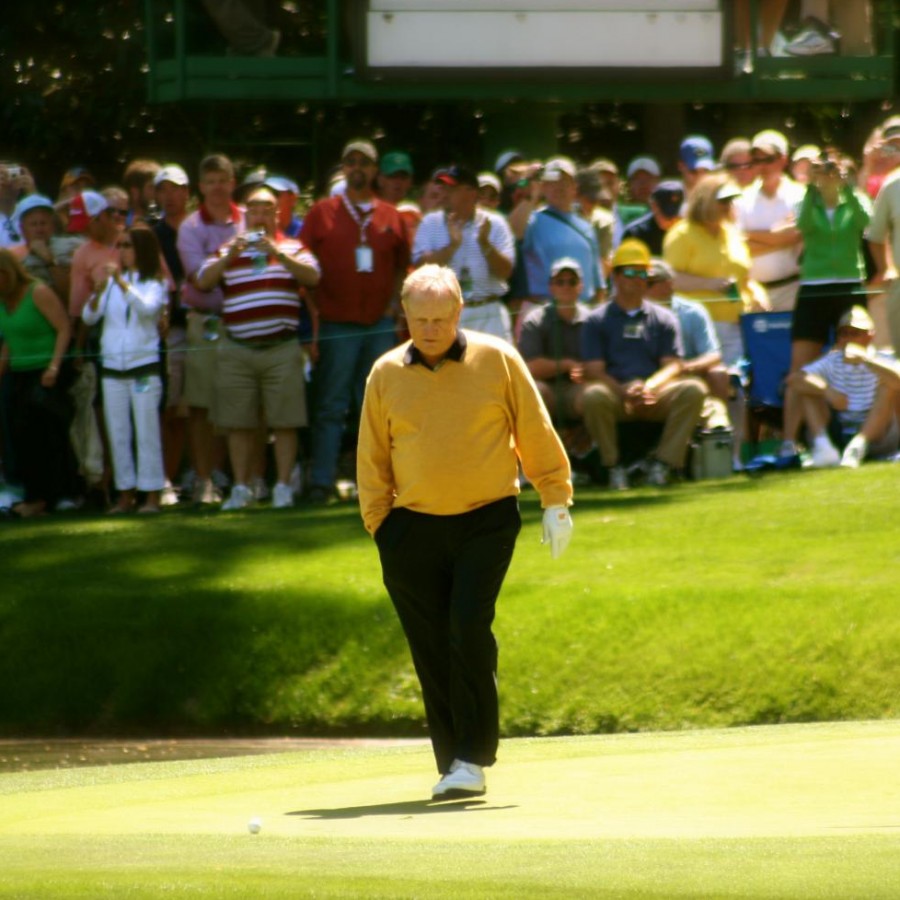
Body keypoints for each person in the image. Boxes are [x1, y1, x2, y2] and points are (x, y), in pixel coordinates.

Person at [357, 264, 573, 799]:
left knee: (468, 629)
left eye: (440, 318)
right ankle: (452, 760)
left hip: (487, 516)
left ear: (458, 313)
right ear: (404, 315)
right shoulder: (385, 373)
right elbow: (372, 460)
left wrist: (555, 498)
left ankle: (473, 758)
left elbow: (534, 429)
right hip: (411, 527)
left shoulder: (497, 358)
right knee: (431, 646)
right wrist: (381, 526)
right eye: (419, 318)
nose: (430, 329)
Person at [300, 139, 410, 504]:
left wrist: (394, 306)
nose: (358, 168)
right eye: (351, 162)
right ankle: (321, 482)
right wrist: (315, 312)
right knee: (332, 405)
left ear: (375, 170)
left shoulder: (390, 214)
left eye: (365, 162)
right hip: (336, 323)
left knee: (377, 408)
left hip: (379, 324)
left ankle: (377, 485)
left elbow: (400, 266)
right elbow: (302, 263)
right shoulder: (322, 212)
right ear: (343, 168)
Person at [196, 187, 320, 510]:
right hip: (237, 347)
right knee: (238, 422)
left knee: (285, 421)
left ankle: (281, 486)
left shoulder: (292, 246)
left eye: (267, 210)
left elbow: (313, 276)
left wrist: (278, 253)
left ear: (277, 215)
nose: (260, 216)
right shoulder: (229, 248)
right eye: (254, 210)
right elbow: (204, 281)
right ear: (245, 215)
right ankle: (240, 487)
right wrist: (230, 255)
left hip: (281, 347)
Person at [581, 240, 707, 490]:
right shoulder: (596, 320)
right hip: (616, 394)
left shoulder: (664, 318)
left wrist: (648, 387)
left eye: (643, 273)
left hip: (654, 394)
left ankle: (663, 463)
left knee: (694, 389)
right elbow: (594, 370)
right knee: (593, 395)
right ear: (615, 277)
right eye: (630, 271)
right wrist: (624, 391)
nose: (638, 278)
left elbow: (673, 365)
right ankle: (613, 466)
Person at [780, 150, 871, 458]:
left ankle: (863, 434)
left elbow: (866, 222)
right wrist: (811, 185)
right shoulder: (806, 199)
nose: (829, 175)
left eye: (834, 170)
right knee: (800, 367)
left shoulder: (854, 197)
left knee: (856, 358)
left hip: (848, 285)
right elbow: (803, 226)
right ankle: (789, 442)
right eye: (824, 170)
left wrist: (846, 188)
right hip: (813, 289)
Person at [81, 228, 168, 514]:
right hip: (112, 369)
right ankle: (124, 495)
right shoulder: (111, 284)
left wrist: (120, 283)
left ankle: (152, 495)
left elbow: (146, 310)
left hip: (143, 368)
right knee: (118, 433)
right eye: (120, 246)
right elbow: (90, 316)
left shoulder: (156, 283)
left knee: (147, 432)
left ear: (141, 249)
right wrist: (96, 295)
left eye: (127, 246)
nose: (122, 251)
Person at [177, 153, 244, 504]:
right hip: (205, 323)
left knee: (238, 401)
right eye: (211, 181)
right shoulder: (190, 227)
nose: (218, 187)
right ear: (201, 186)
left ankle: (234, 477)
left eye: (224, 179)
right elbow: (200, 281)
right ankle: (204, 480)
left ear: (233, 183)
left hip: (245, 321)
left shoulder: (248, 221)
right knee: (201, 404)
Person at [663, 171, 768, 371]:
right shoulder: (681, 234)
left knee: (734, 380)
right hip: (697, 325)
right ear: (706, 201)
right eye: (723, 200)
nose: (728, 205)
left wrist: (758, 294)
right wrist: (708, 284)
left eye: (731, 200)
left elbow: (743, 276)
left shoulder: (732, 233)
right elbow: (670, 280)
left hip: (736, 323)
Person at [0, 249, 75, 518]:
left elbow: (64, 327)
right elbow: (10, 337)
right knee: (19, 437)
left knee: (43, 437)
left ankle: (47, 497)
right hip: (18, 373)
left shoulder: (37, 292)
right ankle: (33, 495)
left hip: (44, 373)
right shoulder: (2, 301)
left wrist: (54, 366)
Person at [786, 305, 899, 467]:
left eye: (855, 334)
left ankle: (860, 444)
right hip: (841, 431)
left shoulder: (883, 358)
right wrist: (827, 390)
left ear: (869, 335)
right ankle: (825, 448)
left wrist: (866, 360)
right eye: (844, 334)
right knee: (808, 387)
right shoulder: (832, 360)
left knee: (888, 386)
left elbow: (897, 379)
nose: (848, 339)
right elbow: (795, 379)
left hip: (880, 435)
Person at [413, 165, 515, 342]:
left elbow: (505, 272)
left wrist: (485, 244)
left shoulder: (495, 223)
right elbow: (420, 271)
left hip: (489, 312)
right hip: (446, 314)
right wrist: (451, 247)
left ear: (472, 193)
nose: (444, 193)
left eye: (451, 189)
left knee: (494, 370)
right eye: (443, 188)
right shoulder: (430, 223)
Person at [735, 130, 805, 313]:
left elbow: (798, 235)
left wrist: (749, 236)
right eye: (757, 161)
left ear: (783, 159)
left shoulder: (800, 195)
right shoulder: (742, 199)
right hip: (754, 292)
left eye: (768, 160)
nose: (763, 167)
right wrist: (781, 239)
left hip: (792, 289)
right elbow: (737, 247)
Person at [522, 157, 604, 309]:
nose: (559, 188)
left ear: (574, 187)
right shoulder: (531, 221)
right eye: (552, 182)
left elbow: (598, 282)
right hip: (544, 311)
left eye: (564, 182)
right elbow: (513, 232)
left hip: (583, 311)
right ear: (544, 187)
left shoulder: (587, 227)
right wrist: (531, 195)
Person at [517, 257, 590, 424]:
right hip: (547, 388)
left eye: (572, 282)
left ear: (581, 286)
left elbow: (601, 361)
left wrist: (585, 370)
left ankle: (593, 446)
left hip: (578, 388)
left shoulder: (592, 320)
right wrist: (567, 365)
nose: (566, 286)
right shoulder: (534, 320)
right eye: (560, 282)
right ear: (551, 287)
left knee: (596, 395)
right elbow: (530, 368)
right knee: (534, 392)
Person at [621, 180, 684, 257]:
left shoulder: (687, 233)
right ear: (654, 206)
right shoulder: (634, 234)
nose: (672, 219)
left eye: (676, 214)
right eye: (667, 215)